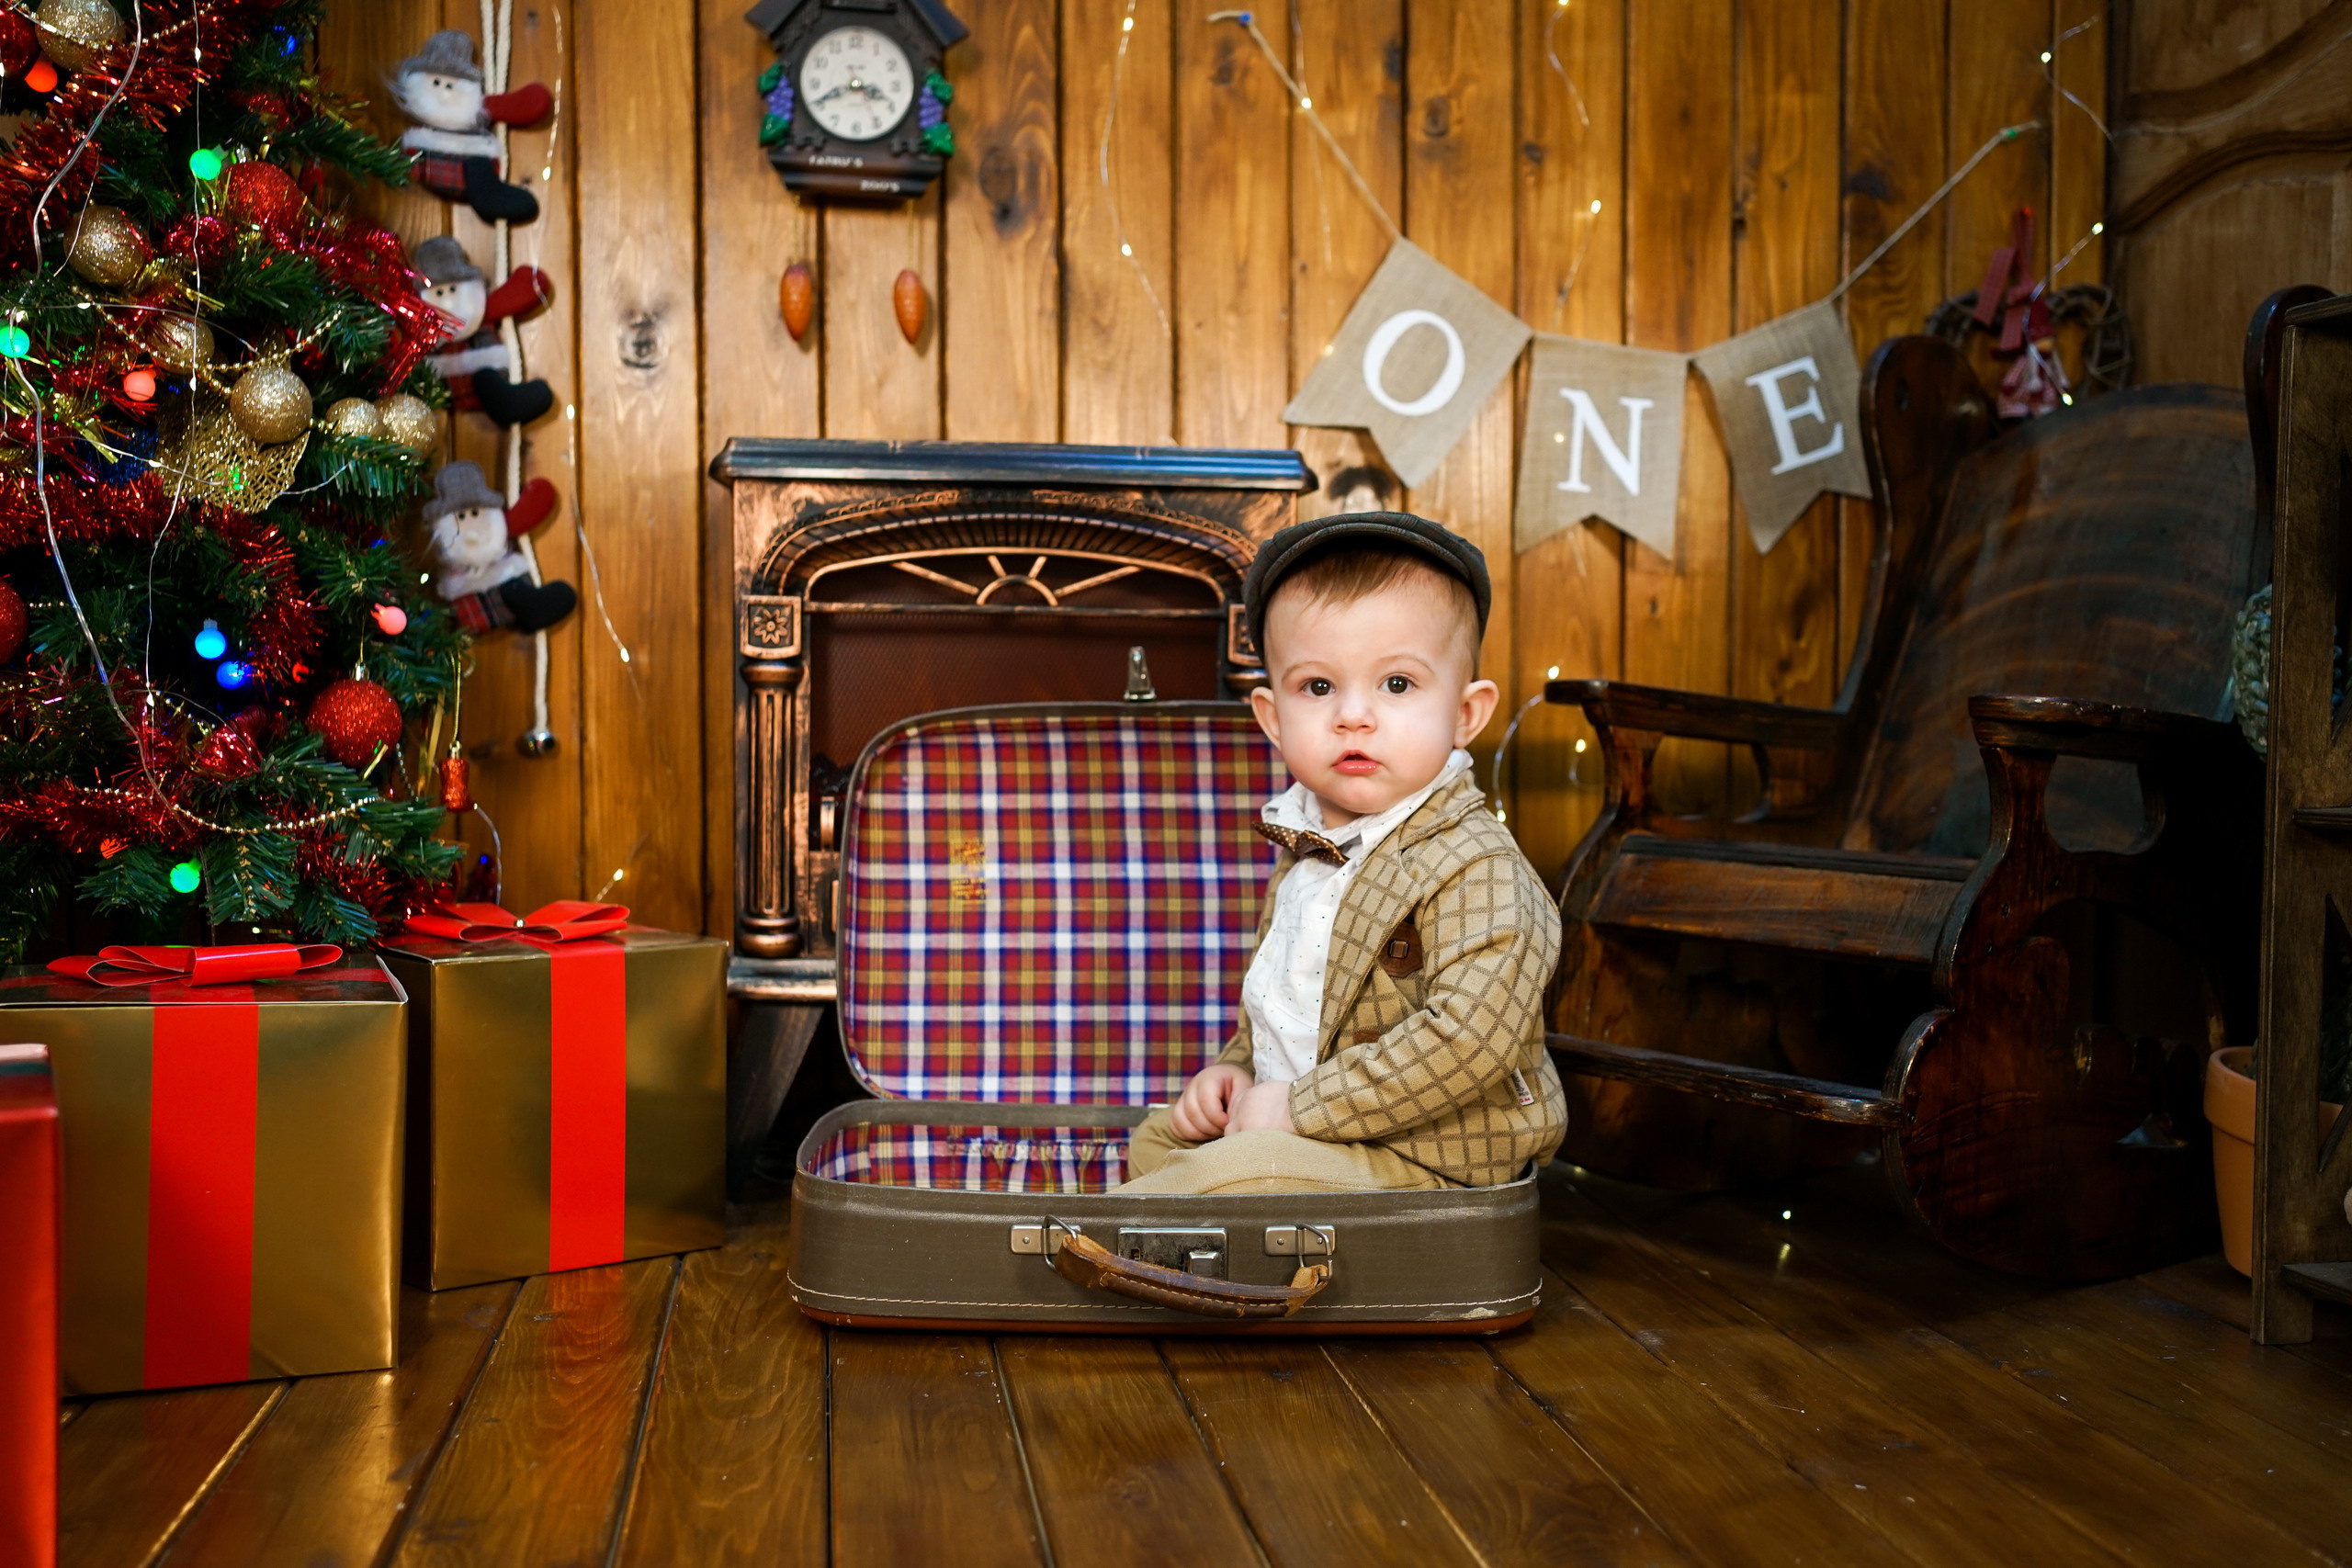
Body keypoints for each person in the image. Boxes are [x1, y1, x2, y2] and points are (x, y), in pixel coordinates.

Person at [1117, 511, 1566, 1195]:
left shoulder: (1477, 866)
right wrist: (1238, 1072)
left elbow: (1469, 1041)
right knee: (1159, 1138)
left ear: (1466, 714)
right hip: (1321, 1128)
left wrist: (1297, 1108)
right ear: (1272, 717)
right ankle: (1166, 1216)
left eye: (1397, 684)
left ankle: (1111, 1244)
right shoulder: (1308, 849)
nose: (1353, 716)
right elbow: (1290, 1007)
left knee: (1230, 1174)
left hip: (1427, 1153)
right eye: (1318, 687)